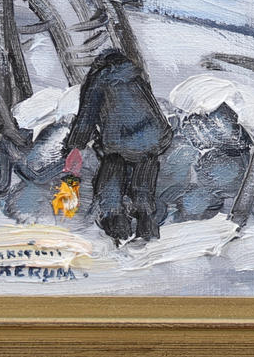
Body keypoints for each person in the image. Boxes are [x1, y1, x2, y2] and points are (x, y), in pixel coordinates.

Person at [60, 50, 174, 244]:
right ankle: (147, 225)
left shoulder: (99, 80)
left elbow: (87, 116)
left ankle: (115, 223)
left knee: (110, 176)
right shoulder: (135, 75)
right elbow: (152, 107)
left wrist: (75, 144)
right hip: (152, 137)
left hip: (120, 142)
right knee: (143, 185)